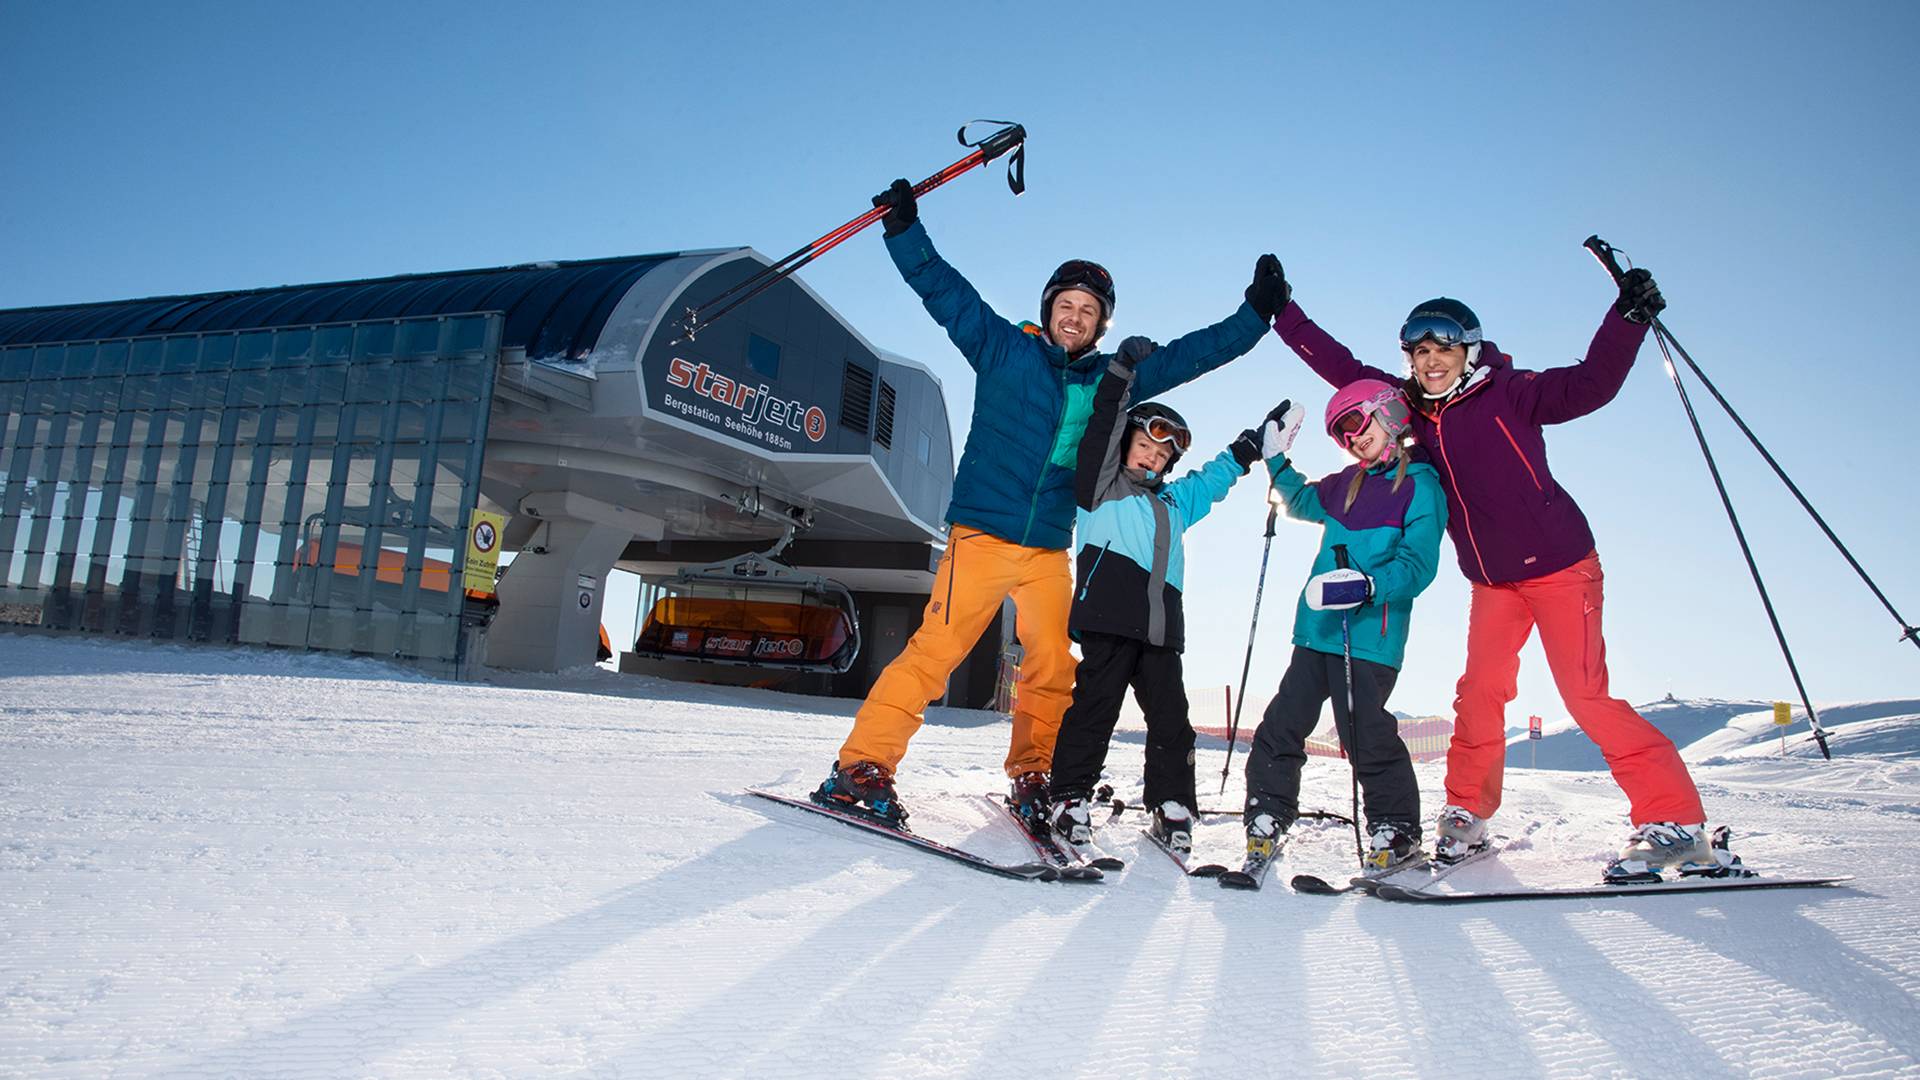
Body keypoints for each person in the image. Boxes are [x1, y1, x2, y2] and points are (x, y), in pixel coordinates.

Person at [814, 184, 1288, 829]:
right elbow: (943, 291)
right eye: (1066, 305)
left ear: (1100, 324)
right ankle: (861, 767)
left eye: (1088, 310)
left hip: (1047, 549)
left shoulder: (1108, 382)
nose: (1075, 316)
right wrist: (904, 229)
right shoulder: (1003, 348)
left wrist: (1255, 317)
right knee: (937, 652)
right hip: (981, 535)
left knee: (1052, 663)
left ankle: (1035, 772)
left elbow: (1191, 356)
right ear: (1049, 309)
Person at [1265, 260, 1728, 880]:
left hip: (1563, 566)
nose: (1431, 361)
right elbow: (1343, 369)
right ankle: (1465, 814)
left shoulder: (1514, 392)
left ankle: (1675, 819)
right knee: (1479, 693)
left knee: (1585, 694)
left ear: (1469, 349)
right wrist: (1282, 313)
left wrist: (1627, 317)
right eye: (1418, 351)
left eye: (1444, 348)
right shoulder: (1409, 409)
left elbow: (1591, 384)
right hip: (1492, 581)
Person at [1043, 336, 1294, 852]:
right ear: (1126, 445)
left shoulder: (1175, 503)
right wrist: (1121, 371)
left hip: (1160, 632)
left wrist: (1254, 444)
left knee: (1172, 721)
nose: (1153, 457)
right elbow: (1103, 425)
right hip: (1108, 622)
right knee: (1095, 710)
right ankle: (1069, 797)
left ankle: (1171, 804)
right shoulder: (1101, 486)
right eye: (1145, 445)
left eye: (1163, 454)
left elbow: (1215, 478)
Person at [1240, 380, 1446, 870]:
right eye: (1340, 434)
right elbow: (1296, 500)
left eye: (1355, 424)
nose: (1350, 439)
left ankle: (1394, 829)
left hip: (1371, 638)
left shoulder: (1421, 487)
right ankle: (1268, 813)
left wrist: (1370, 585)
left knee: (1365, 734)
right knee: (1283, 722)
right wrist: (1274, 457)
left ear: (1390, 415)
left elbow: (1419, 564)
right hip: (1319, 633)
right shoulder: (1344, 484)